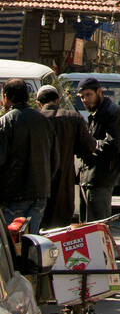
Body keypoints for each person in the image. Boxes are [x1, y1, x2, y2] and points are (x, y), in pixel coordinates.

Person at [0, 79, 57, 233]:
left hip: (15, 194)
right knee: (31, 240)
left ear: (6, 96)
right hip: (41, 191)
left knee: (10, 244)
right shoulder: (43, 121)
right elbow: (54, 158)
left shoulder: (6, 121)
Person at [36, 85, 96, 230]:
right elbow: (89, 147)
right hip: (64, 185)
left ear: (38, 104)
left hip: (37, 186)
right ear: (58, 100)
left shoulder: (34, 119)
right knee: (60, 231)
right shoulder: (73, 118)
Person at [75, 77, 120, 221]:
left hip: (100, 178)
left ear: (99, 92)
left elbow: (114, 145)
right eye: (82, 97)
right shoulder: (97, 113)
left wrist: (89, 146)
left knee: (96, 228)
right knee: (86, 228)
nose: (85, 100)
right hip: (89, 177)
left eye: (88, 95)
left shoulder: (112, 112)